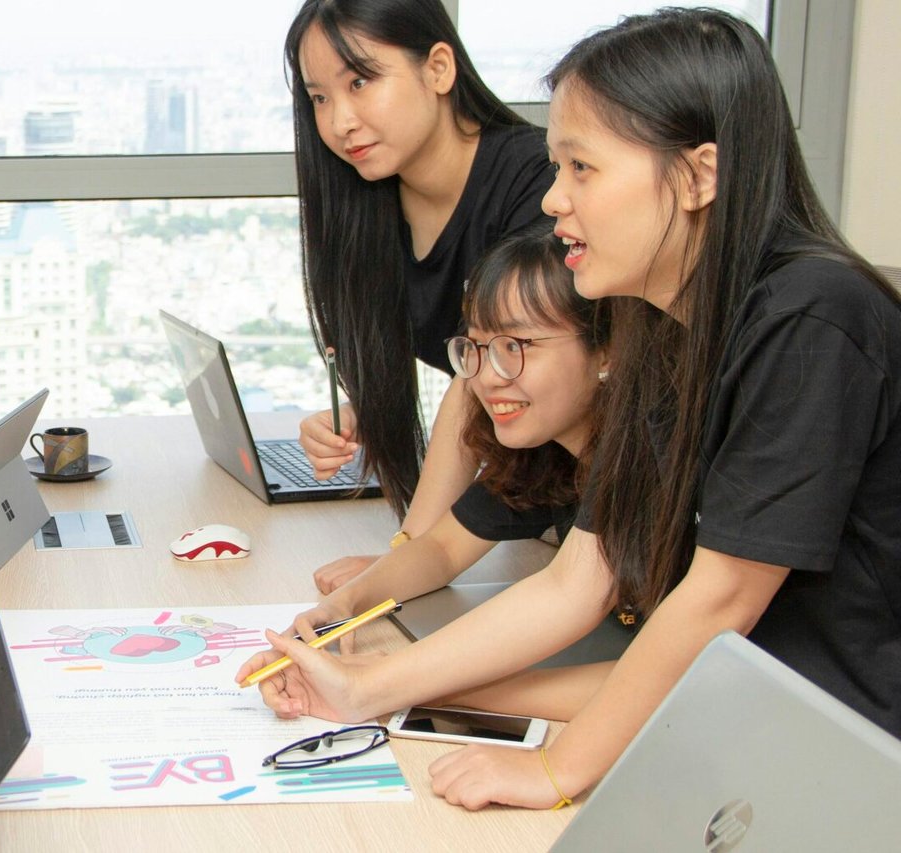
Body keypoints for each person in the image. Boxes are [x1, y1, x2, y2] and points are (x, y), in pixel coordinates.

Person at [237, 7, 901, 811]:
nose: (553, 200)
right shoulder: (663, 330)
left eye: (581, 169)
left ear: (697, 176)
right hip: (738, 713)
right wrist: (361, 687)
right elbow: (575, 581)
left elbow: (722, 596)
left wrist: (556, 771)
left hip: (847, 749)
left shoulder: (811, 317)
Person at [283, 0, 556, 588]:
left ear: (438, 68)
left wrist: (411, 552)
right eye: (320, 97)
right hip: (523, 509)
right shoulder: (367, 200)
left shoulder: (538, 182)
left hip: (593, 497)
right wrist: (361, 411)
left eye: (361, 80)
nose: (339, 121)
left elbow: (483, 378)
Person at [298, 231, 610, 652]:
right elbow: (443, 549)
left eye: (516, 345)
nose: (487, 376)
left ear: (606, 349)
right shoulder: (543, 454)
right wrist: (343, 605)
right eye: (478, 347)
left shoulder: (643, 463)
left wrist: (381, 680)